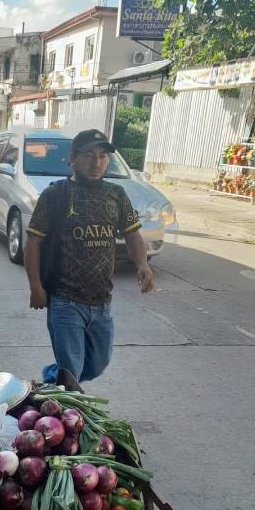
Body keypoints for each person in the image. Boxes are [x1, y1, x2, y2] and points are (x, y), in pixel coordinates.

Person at [24, 129, 154, 384]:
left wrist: (143, 265)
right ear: (72, 158)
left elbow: (132, 234)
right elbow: (33, 242)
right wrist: (36, 287)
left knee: (96, 365)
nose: (97, 163)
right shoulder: (55, 194)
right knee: (73, 371)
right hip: (65, 302)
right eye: (88, 155)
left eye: (103, 156)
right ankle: (64, 402)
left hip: (102, 303)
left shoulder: (116, 194)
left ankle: (53, 379)